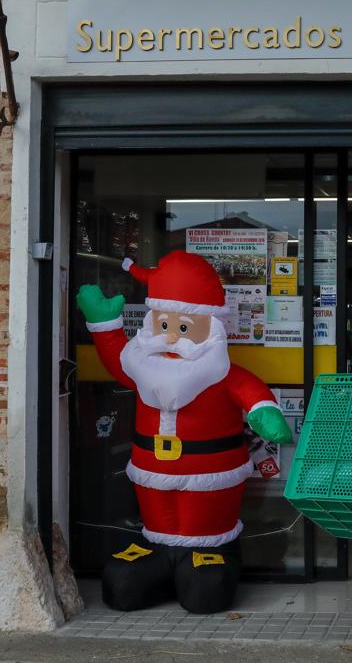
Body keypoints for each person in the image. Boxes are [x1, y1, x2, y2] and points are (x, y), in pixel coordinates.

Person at [76, 251, 293, 614]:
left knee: (204, 584)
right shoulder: (143, 366)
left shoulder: (222, 373)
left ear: (212, 328)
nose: (172, 339)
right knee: (125, 581)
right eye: (164, 327)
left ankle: (206, 553)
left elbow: (251, 391)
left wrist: (265, 412)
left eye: (184, 328)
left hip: (212, 477)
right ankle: (161, 553)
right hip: (152, 473)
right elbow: (118, 360)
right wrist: (105, 326)